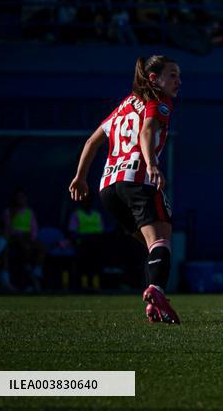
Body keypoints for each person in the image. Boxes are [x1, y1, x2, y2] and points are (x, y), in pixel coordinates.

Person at [68, 55, 182, 323]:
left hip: (108, 187)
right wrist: (152, 164)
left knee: (151, 244)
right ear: (153, 79)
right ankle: (155, 291)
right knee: (161, 240)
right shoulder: (159, 101)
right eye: (173, 75)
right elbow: (146, 132)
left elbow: (92, 141)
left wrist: (80, 177)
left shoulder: (123, 106)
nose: (178, 81)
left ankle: (155, 299)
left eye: (179, 75)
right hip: (137, 179)